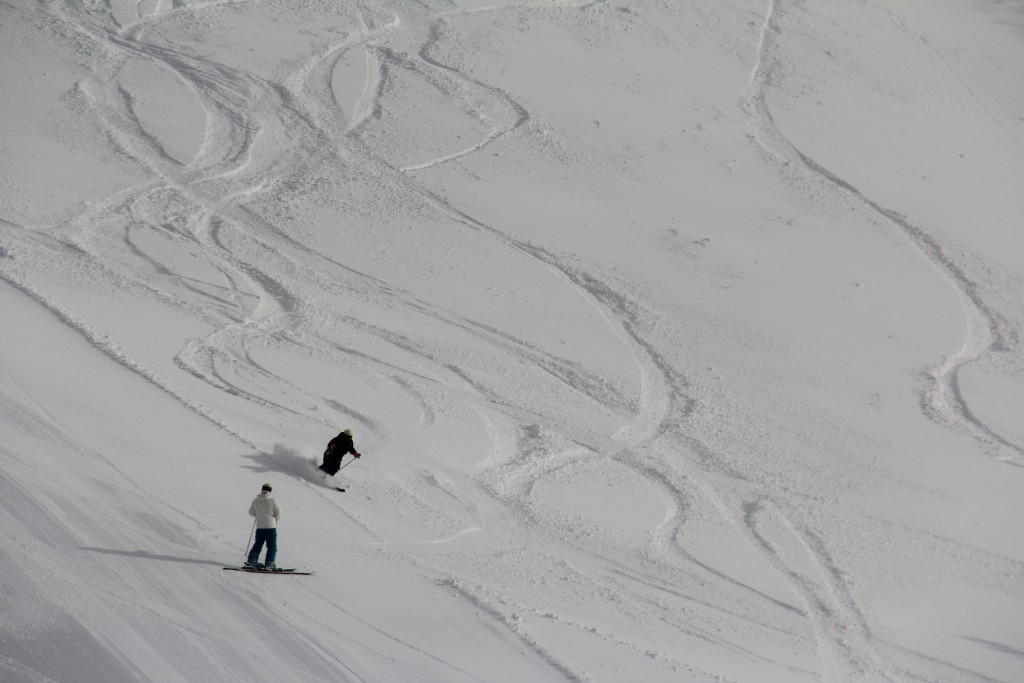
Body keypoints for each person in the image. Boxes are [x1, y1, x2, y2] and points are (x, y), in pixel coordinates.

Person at [246, 483, 281, 570]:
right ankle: (269, 563)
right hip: (270, 527)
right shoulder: (272, 500)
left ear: (262, 489)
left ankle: (252, 561)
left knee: (258, 544)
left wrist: (258, 515)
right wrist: (275, 517)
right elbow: (278, 513)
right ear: (270, 490)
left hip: (260, 526)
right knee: (271, 546)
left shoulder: (256, 500)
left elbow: (251, 512)